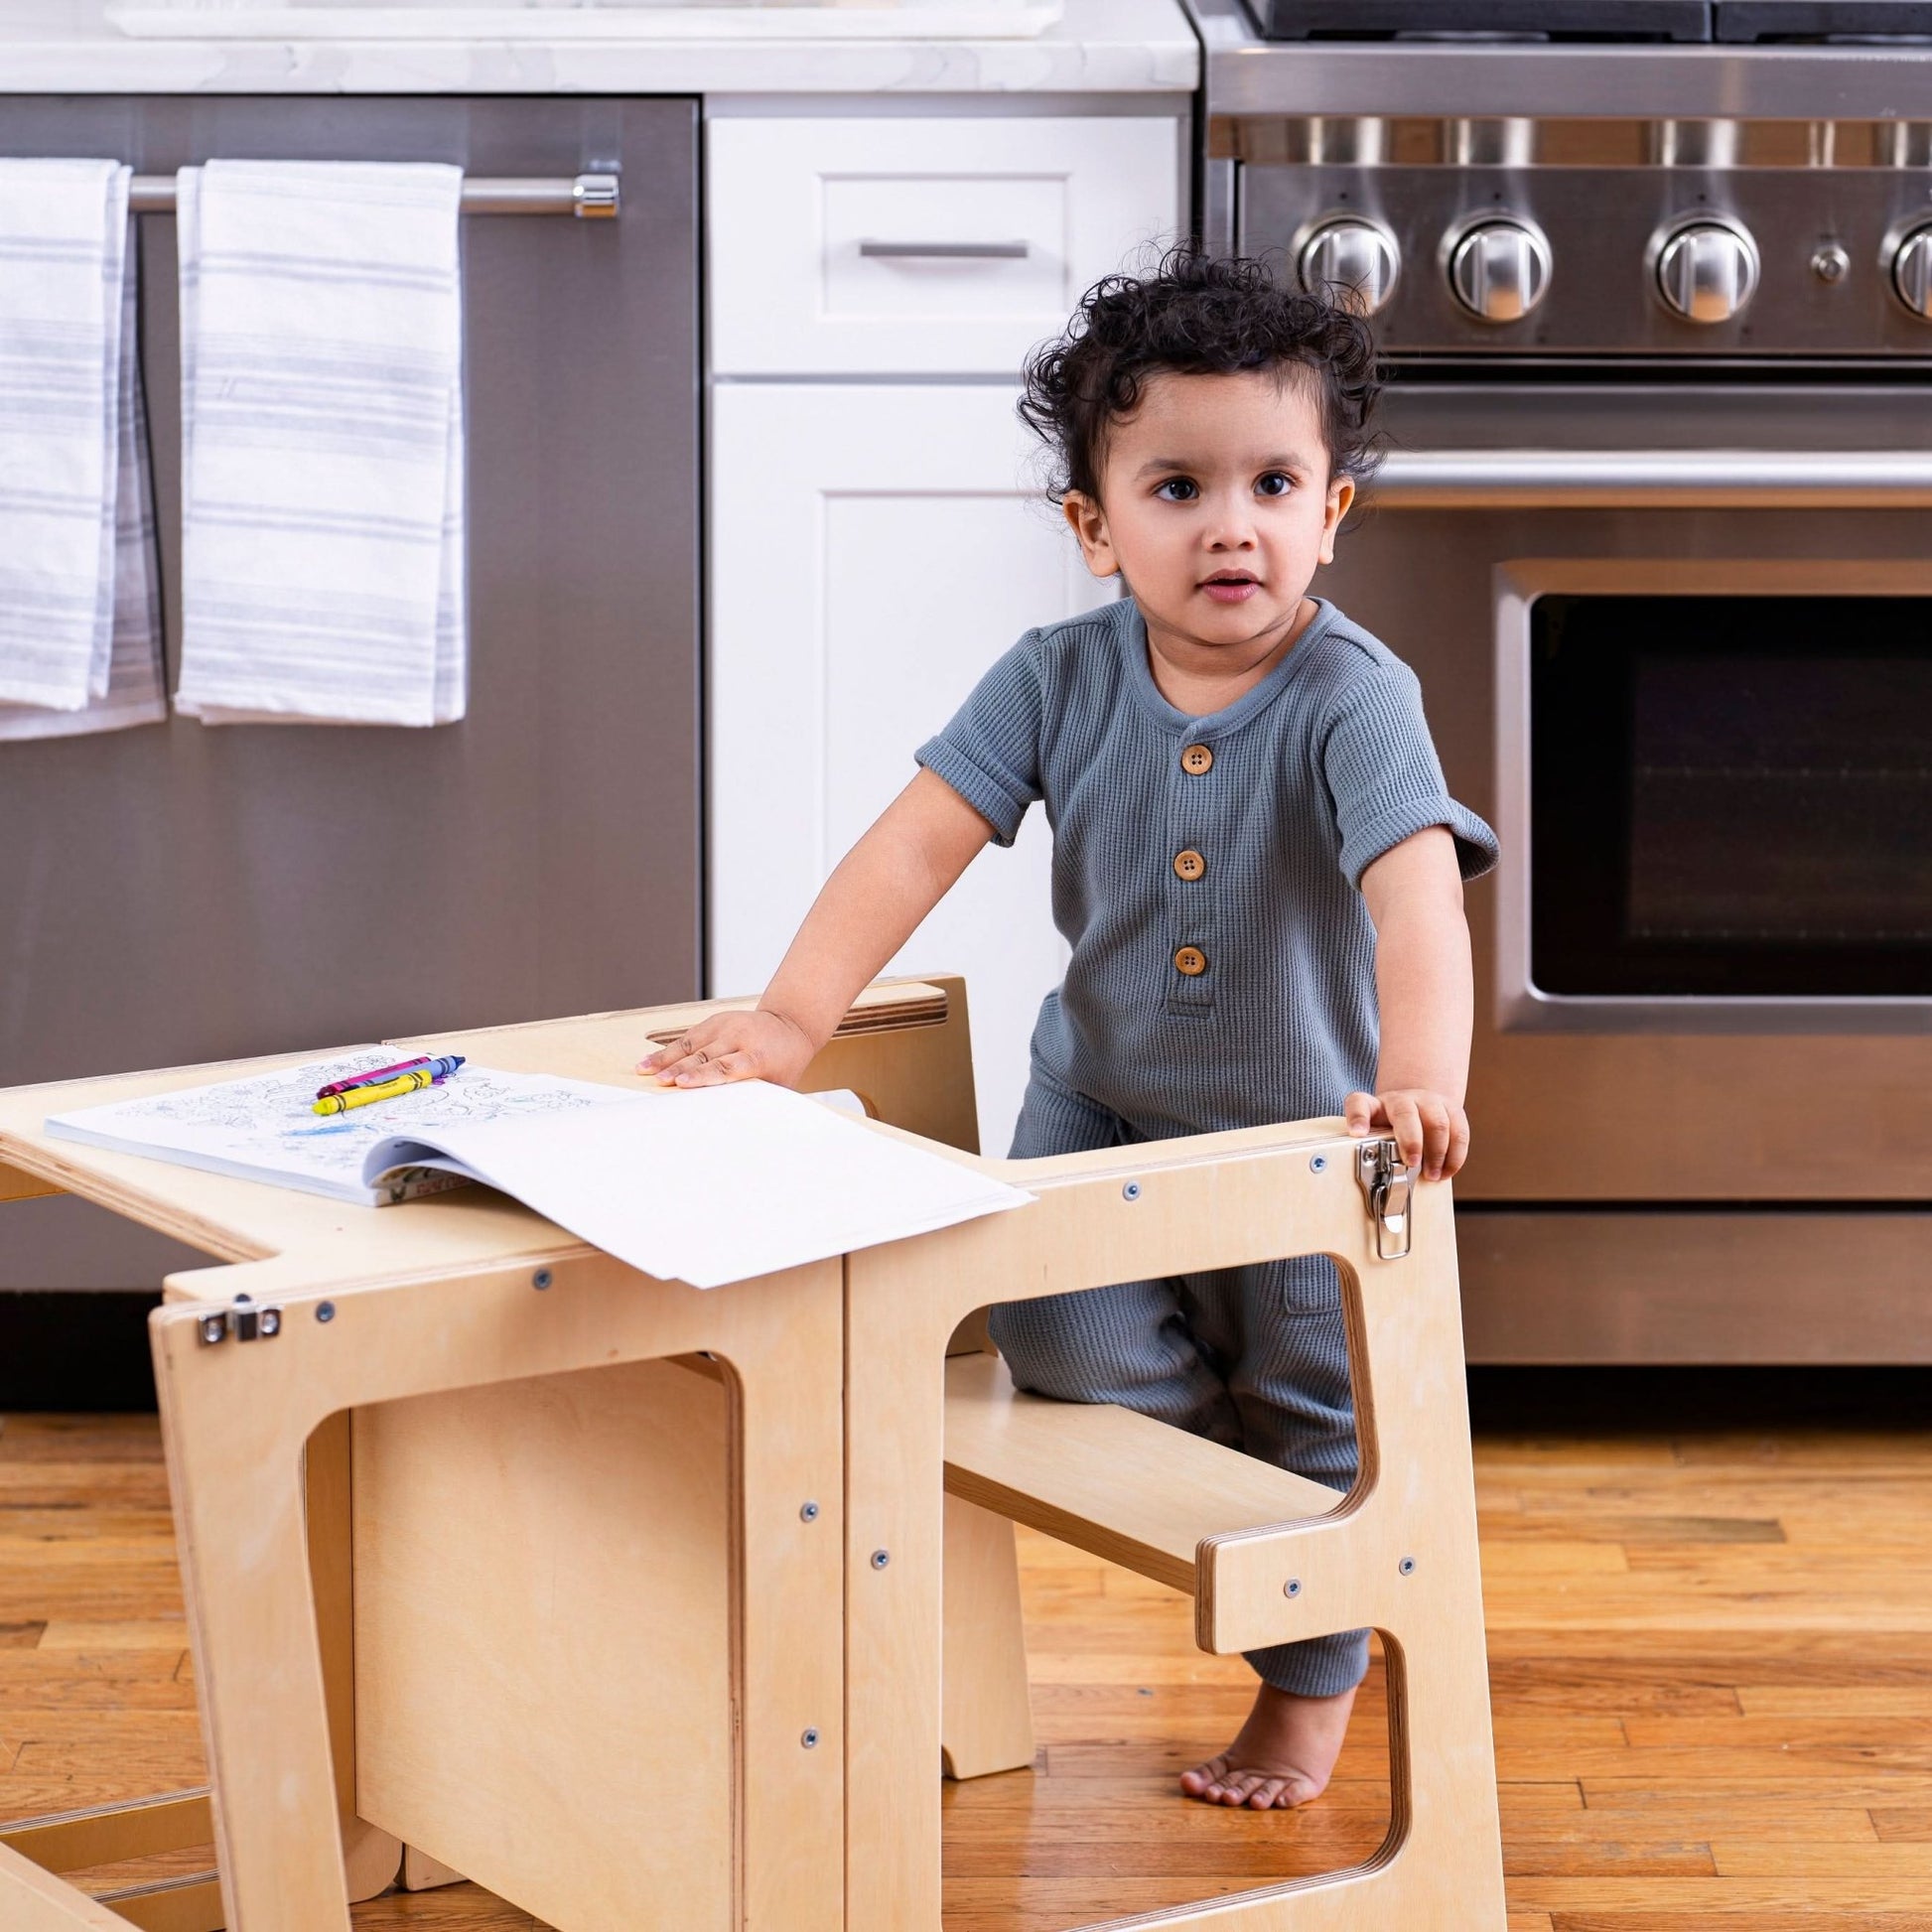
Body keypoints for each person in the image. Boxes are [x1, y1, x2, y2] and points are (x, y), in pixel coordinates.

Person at [642, 248, 1498, 1812]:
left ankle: (1304, 1698)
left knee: (1316, 1407)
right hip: (1094, 1105)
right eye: (1176, 485)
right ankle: (1220, 1474)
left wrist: (1416, 1085)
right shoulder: (1052, 677)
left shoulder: (1356, 698)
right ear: (1095, 529)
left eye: (1270, 482)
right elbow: (909, 844)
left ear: (1330, 511)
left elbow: (1415, 903)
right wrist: (787, 1016)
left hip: (1307, 1141)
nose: (1227, 523)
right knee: (1050, 1329)